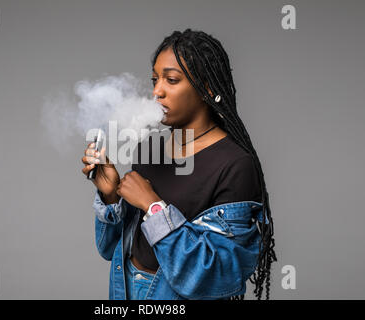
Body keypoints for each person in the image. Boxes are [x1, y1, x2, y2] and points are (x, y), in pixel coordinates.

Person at [81, 29, 277, 300]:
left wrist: (153, 207)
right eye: (155, 79)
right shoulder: (148, 147)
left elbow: (216, 276)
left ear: (207, 88)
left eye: (171, 80)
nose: (156, 91)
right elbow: (110, 249)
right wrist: (111, 195)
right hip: (124, 290)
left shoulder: (235, 165)